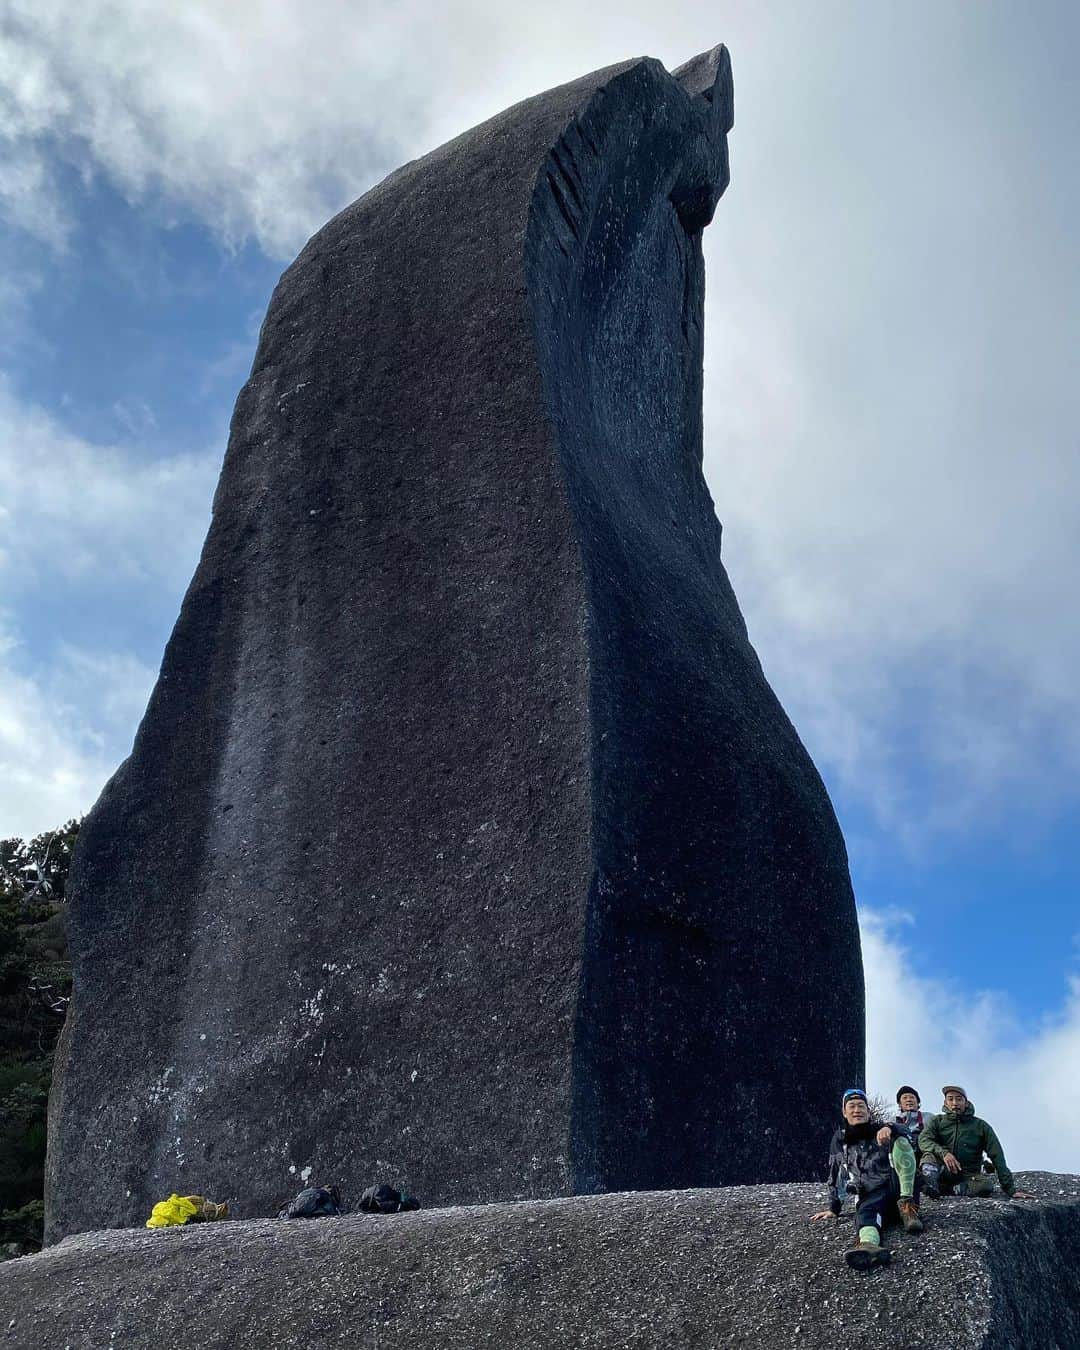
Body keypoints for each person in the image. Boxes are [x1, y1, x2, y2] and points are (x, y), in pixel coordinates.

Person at [811, 1087, 923, 1270]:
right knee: (865, 1213)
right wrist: (834, 1208)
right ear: (844, 1112)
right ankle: (869, 1247)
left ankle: (908, 1207)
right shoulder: (840, 1139)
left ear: (868, 1112)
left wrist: (891, 1128)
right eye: (852, 1106)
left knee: (901, 1141)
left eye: (861, 1106)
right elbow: (836, 1171)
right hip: (871, 1195)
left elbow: (909, 1135)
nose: (857, 1110)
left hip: (896, 1188)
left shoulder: (881, 1128)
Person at [918, 1085, 1035, 1200]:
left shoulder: (980, 1126)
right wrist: (944, 1153)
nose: (954, 1103)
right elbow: (923, 1140)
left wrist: (1010, 1189)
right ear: (945, 1102)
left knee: (986, 1186)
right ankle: (932, 1186)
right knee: (928, 1157)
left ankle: (949, 1190)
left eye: (959, 1099)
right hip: (943, 1170)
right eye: (950, 1099)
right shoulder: (937, 1121)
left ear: (966, 1102)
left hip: (967, 1175)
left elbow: (997, 1155)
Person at [893, 1085, 934, 1158]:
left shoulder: (929, 1117)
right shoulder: (893, 1121)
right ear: (900, 1104)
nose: (909, 1100)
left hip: (926, 1156)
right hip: (901, 1158)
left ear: (918, 1102)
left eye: (912, 1097)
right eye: (905, 1098)